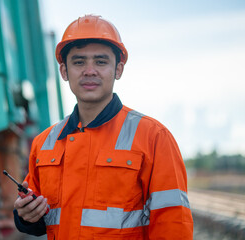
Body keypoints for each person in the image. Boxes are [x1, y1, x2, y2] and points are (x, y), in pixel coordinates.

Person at [13, 15, 193, 239]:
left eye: (101, 61)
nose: (89, 71)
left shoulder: (154, 137)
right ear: (64, 71)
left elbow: (172, 223)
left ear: (118, 69)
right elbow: (41, 217)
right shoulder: (44, 143)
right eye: (79, 62)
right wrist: (26, 215)